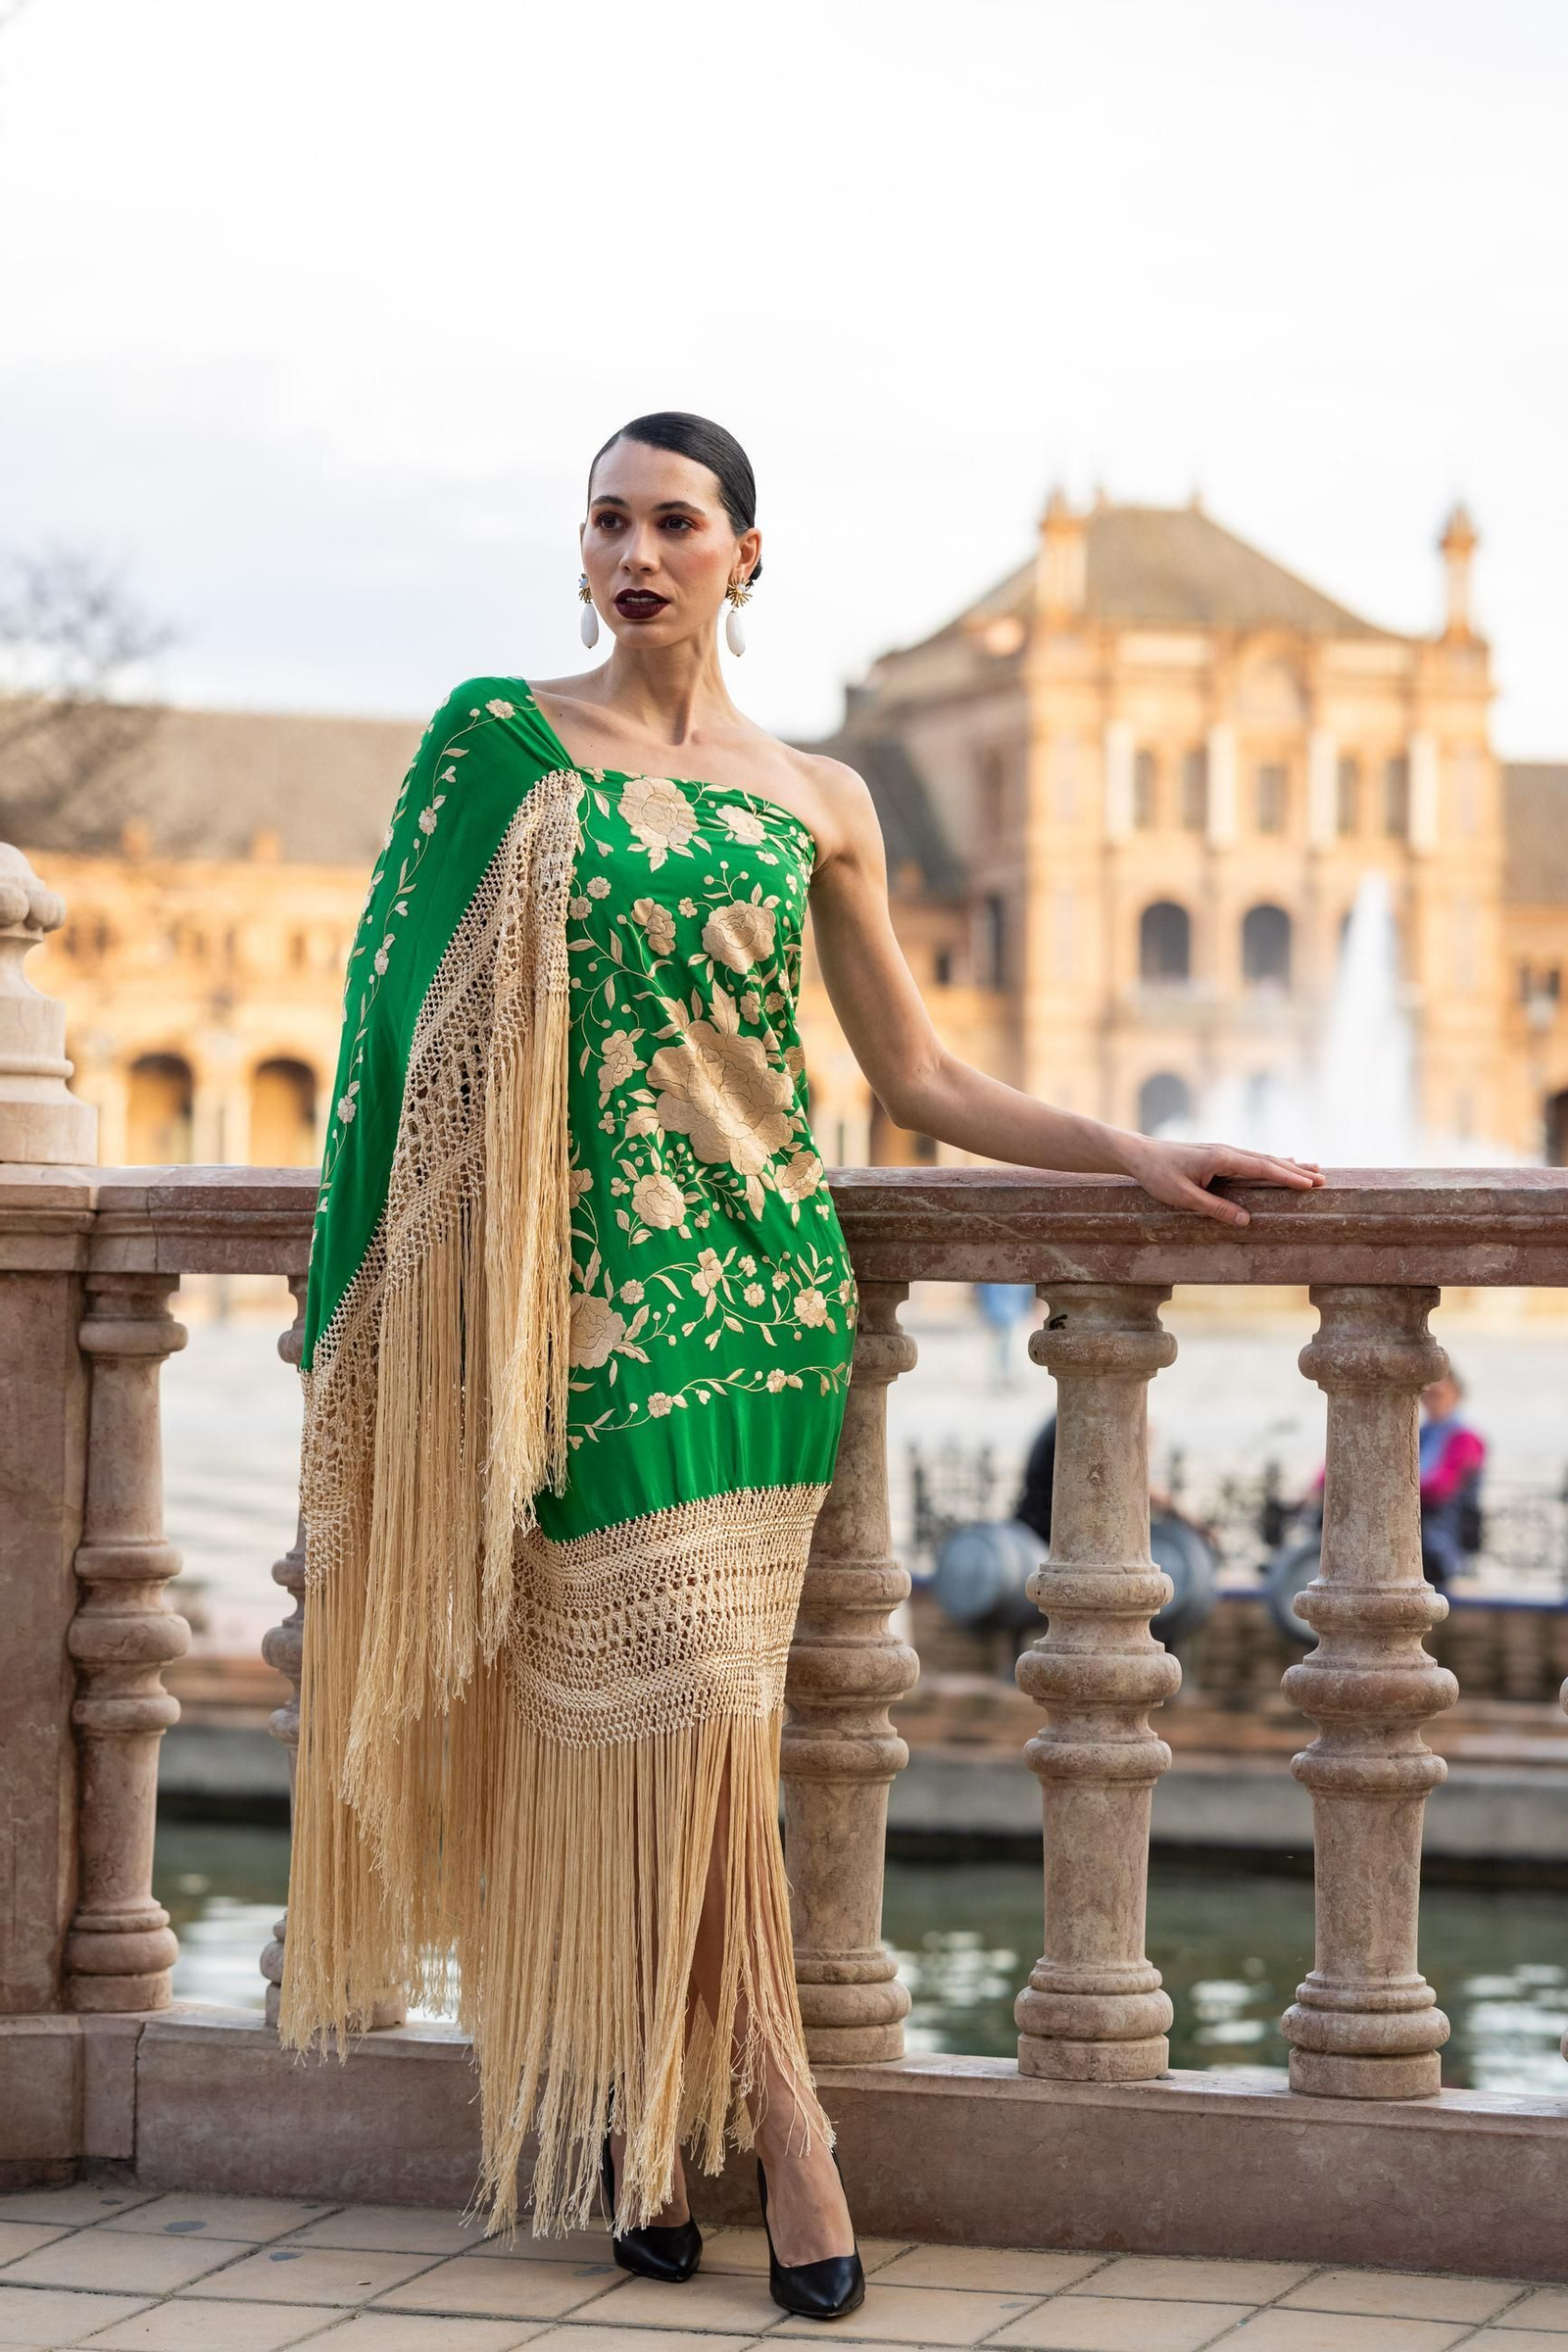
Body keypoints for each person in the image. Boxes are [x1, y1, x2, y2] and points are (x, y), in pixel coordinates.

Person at [279, 410, 1323, 2307]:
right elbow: (390, 1036)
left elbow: (913, 1079)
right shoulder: (492, 744)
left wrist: (1128, 1151)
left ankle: (653, 2125)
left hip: (758, 1299)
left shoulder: (822, 795)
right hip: (570, 1313)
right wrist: (392, 1298)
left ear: (746, 555)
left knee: (709, 1727)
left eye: (675, 521)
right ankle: (783, 2124)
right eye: (606, 519)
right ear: (578, 551)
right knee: (655, 1724)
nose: (636, 551)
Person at [1418, 1367, 1487, 1590]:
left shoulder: (1465, 1439)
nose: (1431, 1400)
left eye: (1438, 1393)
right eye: (1427, 1394)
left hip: (1441, 1542)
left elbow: (1440, 1488)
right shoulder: (1422, 1434)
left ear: (1456, 1393)